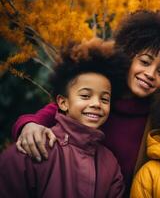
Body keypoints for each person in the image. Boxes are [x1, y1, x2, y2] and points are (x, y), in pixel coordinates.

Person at [11, 10, 160, 196]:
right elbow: (56, 110)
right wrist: (29, 124)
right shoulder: (100, 98)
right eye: (145, 62)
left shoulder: (157, 117)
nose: (150, 74)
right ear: (128, 55)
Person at [0, 42, 125, 197]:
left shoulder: (110, 164)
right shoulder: (34, 147)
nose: (96, 104)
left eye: (105, 99)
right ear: (63, 103)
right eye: (85, 95)